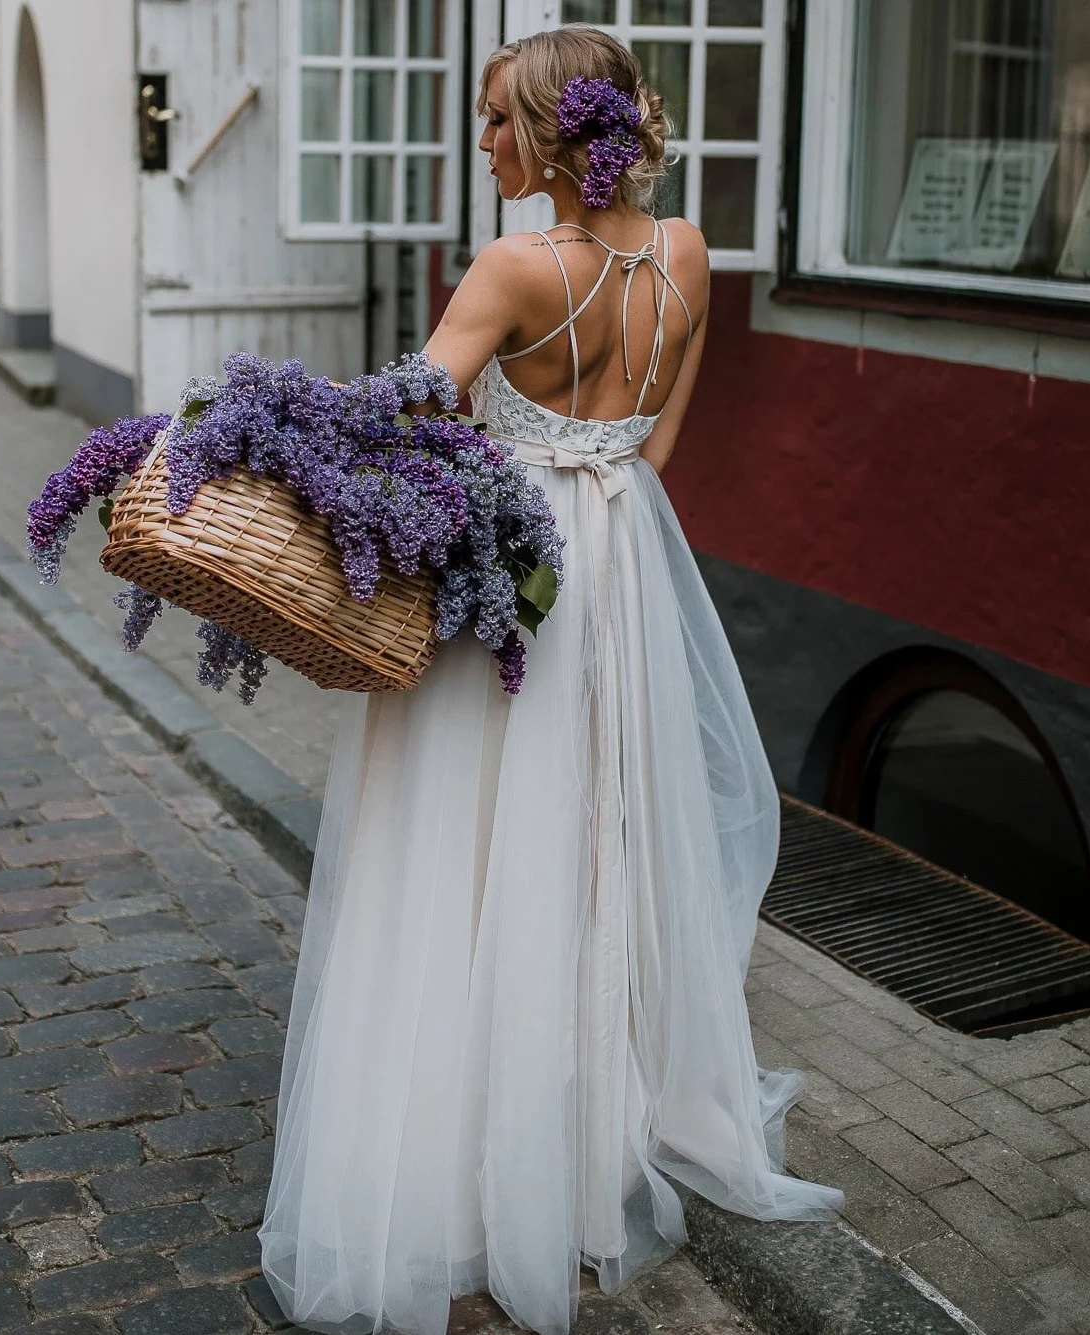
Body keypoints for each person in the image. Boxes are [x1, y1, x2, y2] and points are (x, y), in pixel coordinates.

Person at [259, 25, 843, 1335]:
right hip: (621, 549)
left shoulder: (515, 268)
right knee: (595, 834)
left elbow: (398, 421)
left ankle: (471, 1145)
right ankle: (579, 1136)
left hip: (507, 564)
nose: (480, 148)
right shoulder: (684, 253)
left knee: (468, 833)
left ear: (546, 132)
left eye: (492, 124)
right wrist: (593, 488)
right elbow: (657, 438)